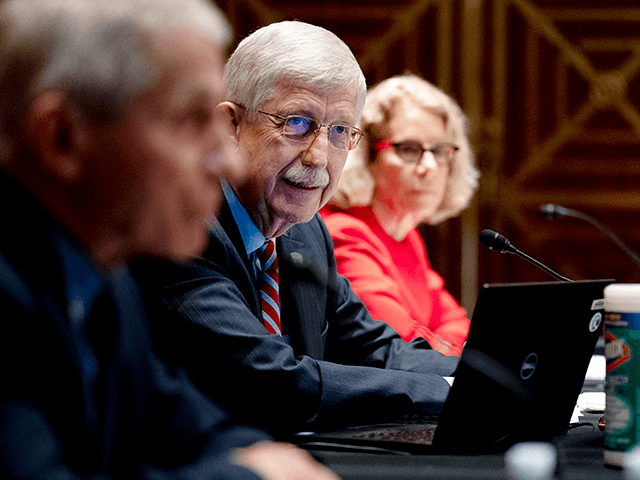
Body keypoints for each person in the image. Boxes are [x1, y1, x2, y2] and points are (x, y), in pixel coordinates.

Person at [0, 1, 339, 479]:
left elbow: (189, 426)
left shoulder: (104, 278)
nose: (232, 163)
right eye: (193, 121)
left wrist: (265, 462)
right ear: (62, 140)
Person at [132, 20, 458, 437]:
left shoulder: (306, 234)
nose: (319, 156)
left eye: (340, 131)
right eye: (296, 123)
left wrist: (502, 379)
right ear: (230, 126)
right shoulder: (182, 230)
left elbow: (378, 350)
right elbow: (271, 381)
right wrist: (448, 392)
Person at [320, 74, 480, 356]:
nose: (428, 166)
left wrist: (444, 343)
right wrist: (449, 346)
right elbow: (401, 341)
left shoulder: (407, 237)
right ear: (366, 155)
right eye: (408, 149)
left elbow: (456, 322)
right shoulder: (344, 232)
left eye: (440, 150)